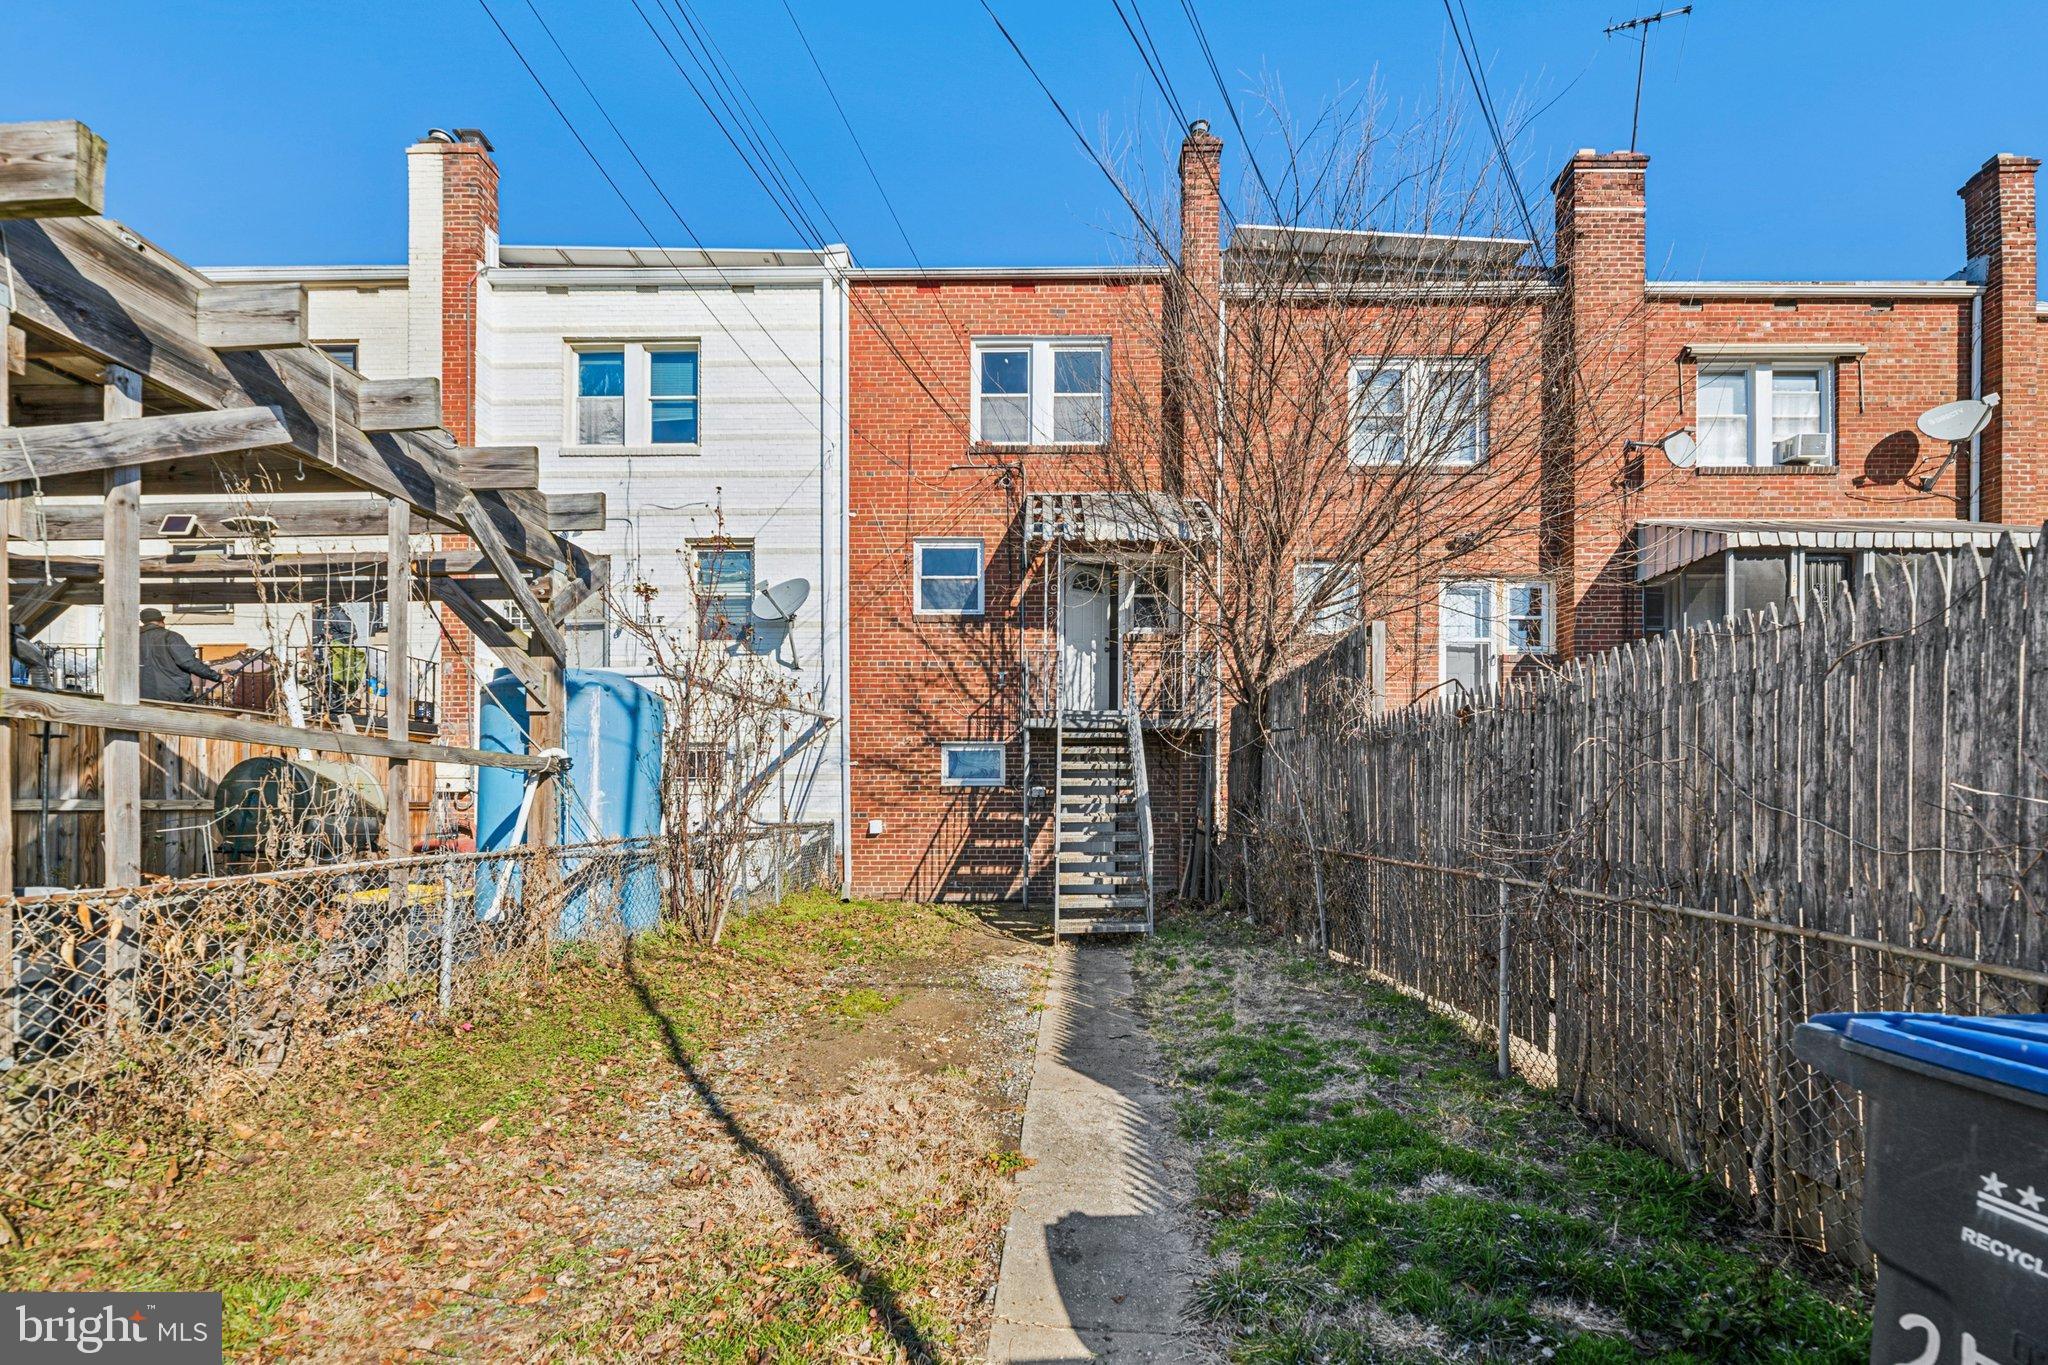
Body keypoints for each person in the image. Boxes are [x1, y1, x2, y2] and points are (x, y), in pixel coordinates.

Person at [138, 608, 224, 703]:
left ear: (144, 622)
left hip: (143, 696)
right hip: (174, 696)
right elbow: (189, 662)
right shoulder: (171, 637)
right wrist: (218, 677)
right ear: (161, 621)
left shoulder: (135, 638)